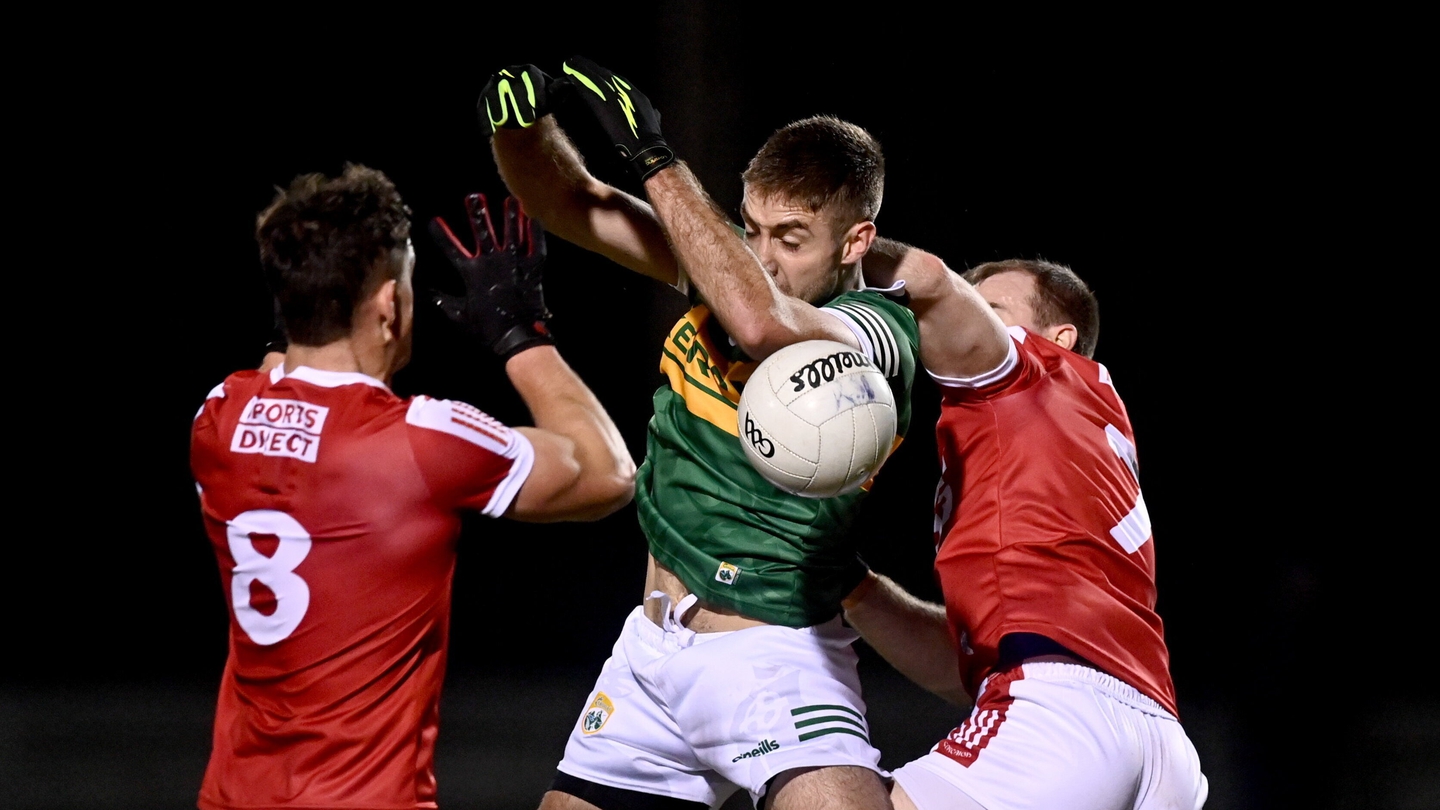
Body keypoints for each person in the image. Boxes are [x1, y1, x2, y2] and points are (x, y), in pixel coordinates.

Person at [481, 59, 920, 809]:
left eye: (793, 238)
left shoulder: (879, 335)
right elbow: (566, 198)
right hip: (650, 658)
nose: (765, 257)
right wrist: (519, 128)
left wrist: (653, 155)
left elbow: (763, 322)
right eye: (751, 230)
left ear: (856, 243)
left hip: (774, 656)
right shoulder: (733, 276)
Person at [190, 165, 636, 810]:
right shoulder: (422, 441)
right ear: (388, 307)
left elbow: (279, 377)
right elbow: (608, 473)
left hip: (231, 795)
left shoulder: (218, 417)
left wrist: (304, 297)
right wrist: (520, 334)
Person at [842, 254, 1209, 809]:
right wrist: (849, 586)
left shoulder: (1032, 370)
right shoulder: (1066, 433)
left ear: (1060, 338)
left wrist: (834, 244)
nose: (964, 323)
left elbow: (930, 281)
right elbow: (972, 663)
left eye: (990, 312)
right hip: (1160, 745)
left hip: (1064, 717)